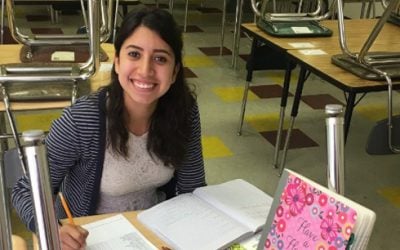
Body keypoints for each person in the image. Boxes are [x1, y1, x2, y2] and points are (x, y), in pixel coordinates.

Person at [12, 7, 206, 250]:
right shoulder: (82, 119)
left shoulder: (184, 111)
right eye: (134, 54)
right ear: (117, 62)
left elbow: (193, 187)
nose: (145, 70)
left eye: (160, 58)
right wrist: (55, 228)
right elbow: (25, 190)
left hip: (154, 231)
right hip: (92, 236)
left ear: (175, 71)